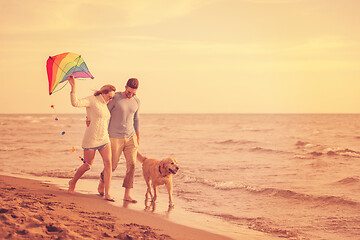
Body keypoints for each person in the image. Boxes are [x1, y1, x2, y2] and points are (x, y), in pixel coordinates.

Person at [67, 75, 116, 202]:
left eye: (112, 97)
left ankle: (107, 193)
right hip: (91, 138)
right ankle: (72, 182)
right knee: (88, 165)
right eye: (110, 97)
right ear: (104, 93)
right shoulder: (92, 100)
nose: (111, 99)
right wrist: (73, 87)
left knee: (108, 164)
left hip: (104, 139)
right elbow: (75, 103)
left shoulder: (105, 103)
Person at [97, 78, 140, 203]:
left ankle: (127, 194)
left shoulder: (136, 101)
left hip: (131, 136)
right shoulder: (115, 98)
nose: (130, 95)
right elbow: (104, 113)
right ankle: (102, 180)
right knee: (113, 164)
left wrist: (138, 136)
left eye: (133, 93)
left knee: (132, 165)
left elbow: (136, 119)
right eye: (128, 92)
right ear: (125, 87)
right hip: (114, 136)